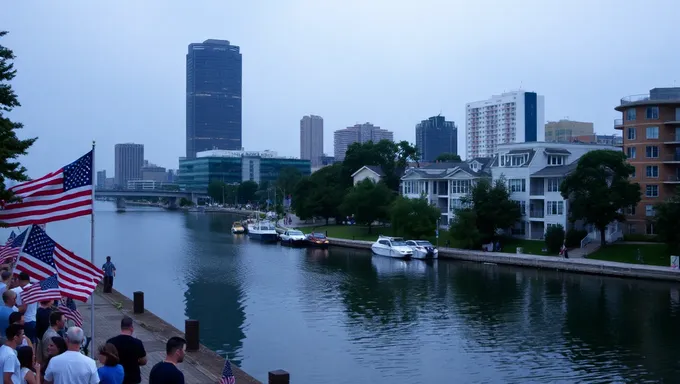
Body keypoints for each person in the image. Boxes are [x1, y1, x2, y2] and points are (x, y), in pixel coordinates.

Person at [106, 316, 146, 384]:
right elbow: (144, 361)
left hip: (115, 377)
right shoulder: (137, 342)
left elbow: (106, 360)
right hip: (132, 378)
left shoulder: (110, 342)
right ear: (131, 328)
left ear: (121, 327)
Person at [12, 273, 37, 344]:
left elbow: (23, 309)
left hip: (25, 320)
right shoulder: (34, 288)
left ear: (19, 280)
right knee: (32, 341)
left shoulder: (24, 290)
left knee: (26, 342)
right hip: (32, 319)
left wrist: (15, 308)